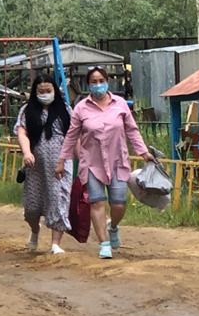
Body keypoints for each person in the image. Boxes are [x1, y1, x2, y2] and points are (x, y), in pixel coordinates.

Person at [56, 66, 155, 259]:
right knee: (97, 202)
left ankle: (114, 226)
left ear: (107, 81)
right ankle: (104, 243)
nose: (98, 85)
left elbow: (132, 131)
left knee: (119, 203)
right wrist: (62, 160)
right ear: (88, 85)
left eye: (101, 80)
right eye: (93, 82)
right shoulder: (81, 108)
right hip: (92, 163)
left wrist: (143, 152)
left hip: (118, 161)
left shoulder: (120, 104)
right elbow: (71, 136)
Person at [15, 75, 72, 255]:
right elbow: (22, 132)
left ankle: (55, 243)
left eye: (48, 91)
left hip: (60, 164)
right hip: (35, 165)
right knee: (32, 206)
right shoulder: (27, 111)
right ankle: (34, 230)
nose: (45, 94)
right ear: (35, 92)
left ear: (55, 91)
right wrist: (27, 152)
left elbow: (72, 136)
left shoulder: (66, 110)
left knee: (58, 199)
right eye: (41, 92)